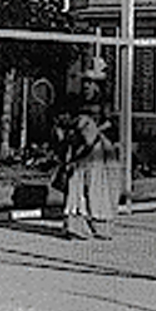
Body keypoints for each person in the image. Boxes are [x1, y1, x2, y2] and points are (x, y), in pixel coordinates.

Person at [52, 57, 122, 240]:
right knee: (75, 181)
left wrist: (94, 130)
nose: (86, 86)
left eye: (91, 82)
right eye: (85, 82)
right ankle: (76, 226)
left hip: (98, 149)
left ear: (98, 85)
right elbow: (69, 120)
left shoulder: (104, 103)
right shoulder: (75, 102)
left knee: (97, 186)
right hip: (79, 147)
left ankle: (100, 225)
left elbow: (110, 123)